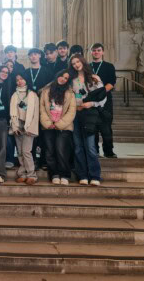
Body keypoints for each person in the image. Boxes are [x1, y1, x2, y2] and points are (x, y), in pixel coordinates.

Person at [69, 54, 106, 186]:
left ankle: (95, 175)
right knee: (78, 147)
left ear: (83, 61)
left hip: (89, 115)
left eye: (78, 61)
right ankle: (83, 175)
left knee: (90, 147)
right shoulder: (72, 80)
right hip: (75, 115)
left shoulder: (94, 78)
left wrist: (91, 104)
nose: (76, 65)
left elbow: (103, 98)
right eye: (73, 63)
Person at [40, 70, 76, 185]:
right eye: (61, 76)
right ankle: (54, 174)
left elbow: (72, 111)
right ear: (57, 76)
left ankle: (65, 174)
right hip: (49, 126)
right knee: (50, 151)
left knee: (61, 151)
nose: (63, 79)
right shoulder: (46, 91)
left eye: (66, 78)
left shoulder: (70, 93)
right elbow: (42, 108)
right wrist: (47, 123)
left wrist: (59, 124)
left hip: (63, 127)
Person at [24, 48, 53, 171]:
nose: (33, 57)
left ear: (40, 56)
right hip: (29, 107)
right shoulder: (26, 72)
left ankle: (44, 160)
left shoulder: (47, 71)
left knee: (44, 134)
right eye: (31, 55)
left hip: (43, 106)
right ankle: (33, 161)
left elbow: (52, 86)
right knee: (32, 134)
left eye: (35, 54)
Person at [10, 73, 39, 185]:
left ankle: (32, 175)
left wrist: (31, 127)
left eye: (22, 79)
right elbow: (12, 113)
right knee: (20, 152)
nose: (20, 81)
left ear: (26, 80)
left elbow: (35, 114)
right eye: (17, 80)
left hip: (29, 126)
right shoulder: (14, 95)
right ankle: (23, 174)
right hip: (18, 125)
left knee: (27, 151)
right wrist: (14, 126)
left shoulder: (32, 94)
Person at [90, 43, 117, 158]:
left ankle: (108, 151)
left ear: (103, 52)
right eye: (94, 50)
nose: (96, 52)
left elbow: (112, 82)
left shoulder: (109, 66)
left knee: (106, 128)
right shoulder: (87, 66)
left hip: (106, 100)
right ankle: (95, 151)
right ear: (91, 52)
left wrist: (101, 93)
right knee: (93, 128)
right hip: (91, 100)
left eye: (98, 50)